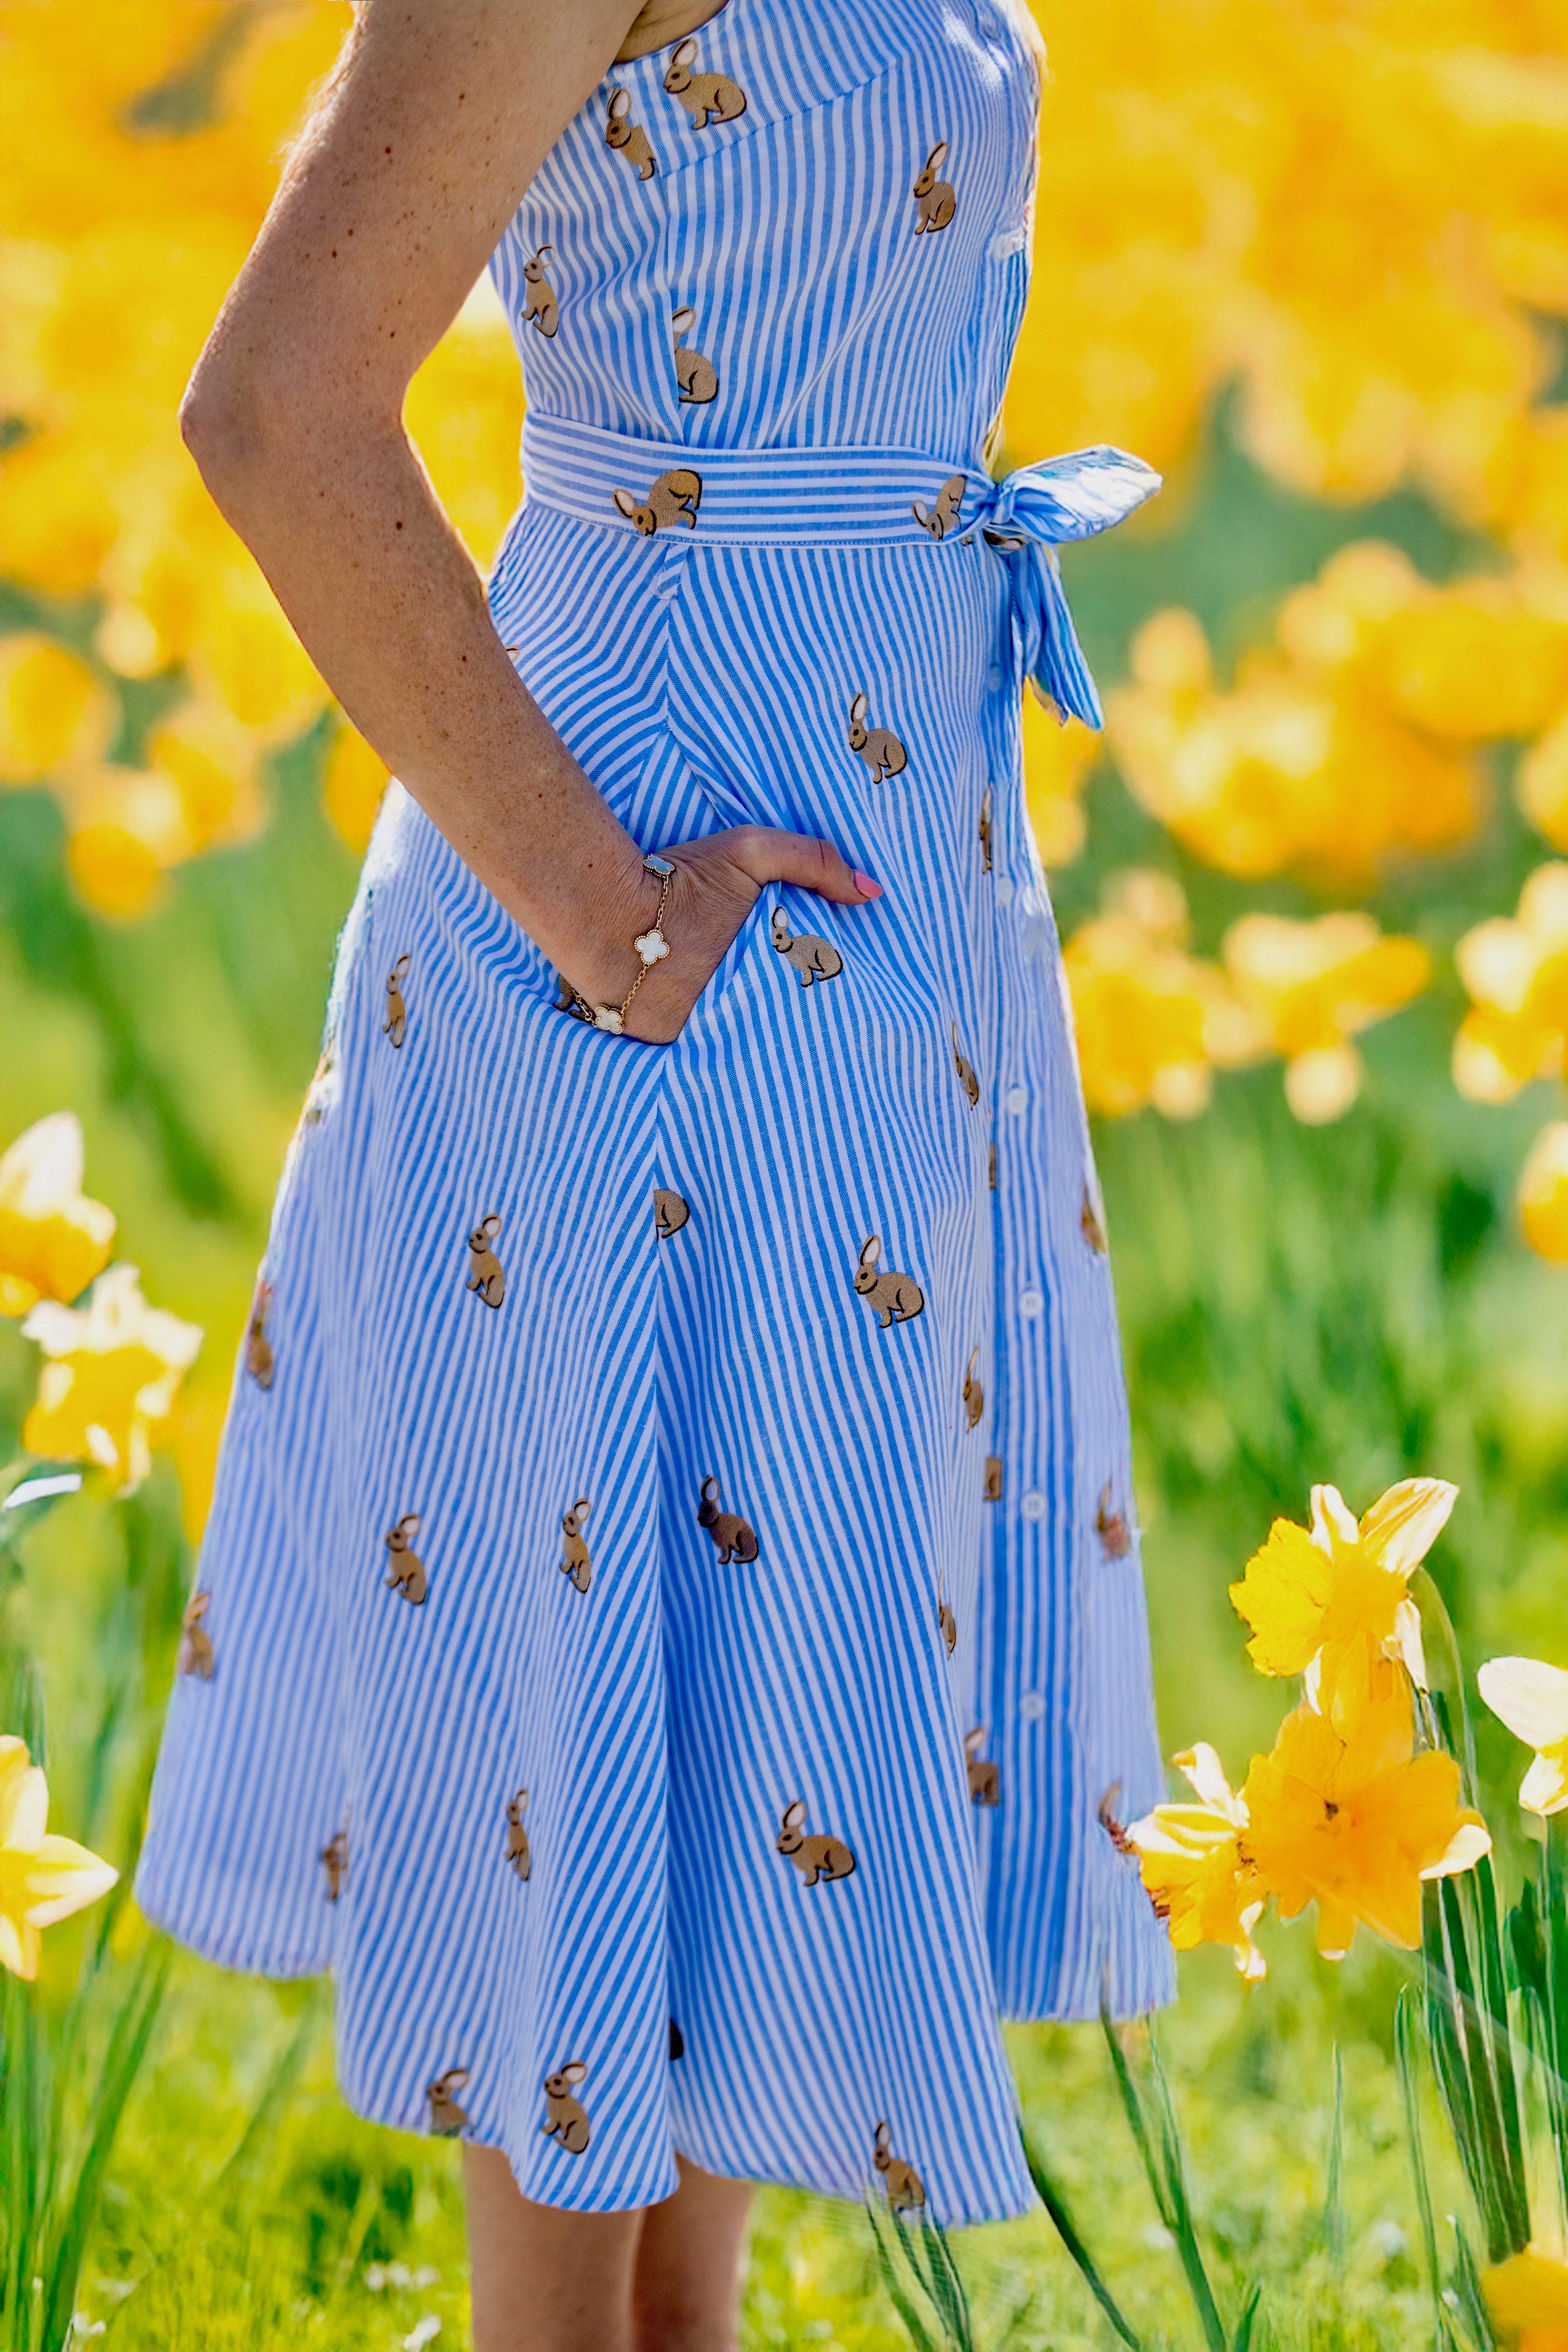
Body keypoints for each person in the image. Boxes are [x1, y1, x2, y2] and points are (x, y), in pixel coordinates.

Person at [134, 2, 1173, 2346]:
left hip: (862, 876)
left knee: (731, 1747)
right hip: (635, 937)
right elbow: (277, 408)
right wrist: (606, 913)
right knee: (597, 1744)